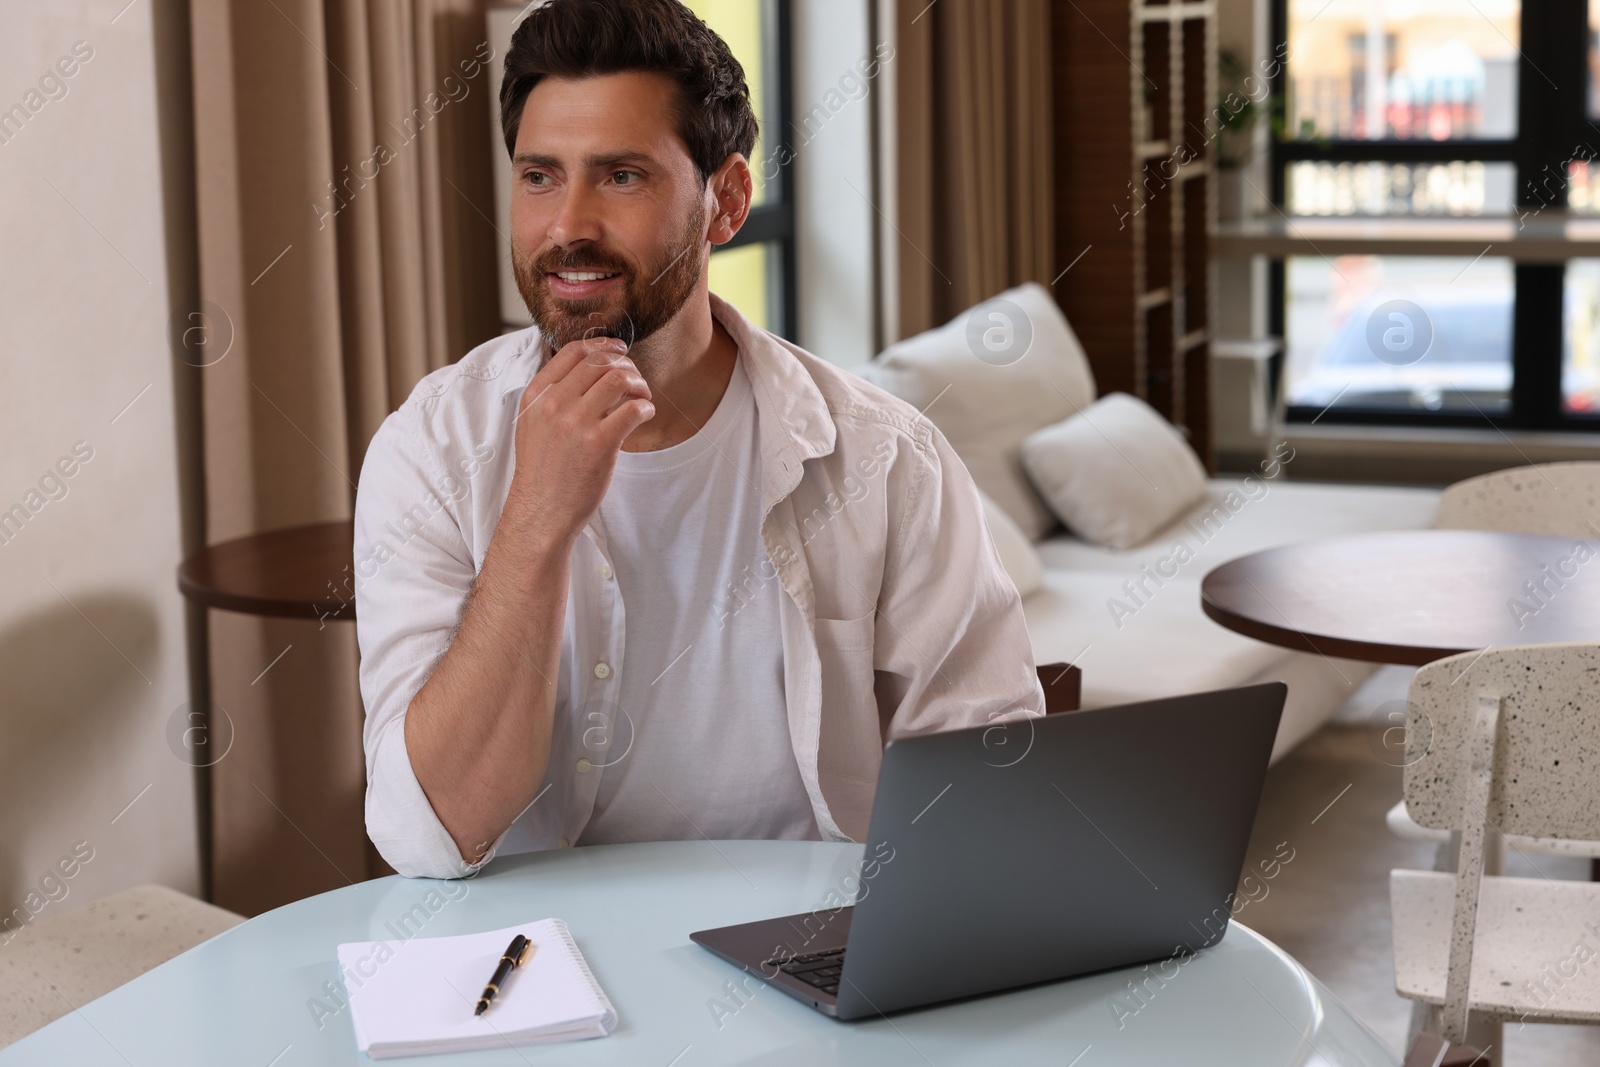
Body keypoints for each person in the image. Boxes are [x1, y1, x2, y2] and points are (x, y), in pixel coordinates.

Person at [354, 0, 1044, 879]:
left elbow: (987, 783)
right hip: (535, 967)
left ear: (727, 202)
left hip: (812, 958)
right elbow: (429, 838)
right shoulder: (431, 451)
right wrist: (536, 517)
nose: (567, 225)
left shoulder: (887, 457)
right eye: (539, 176)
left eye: (621, 175)